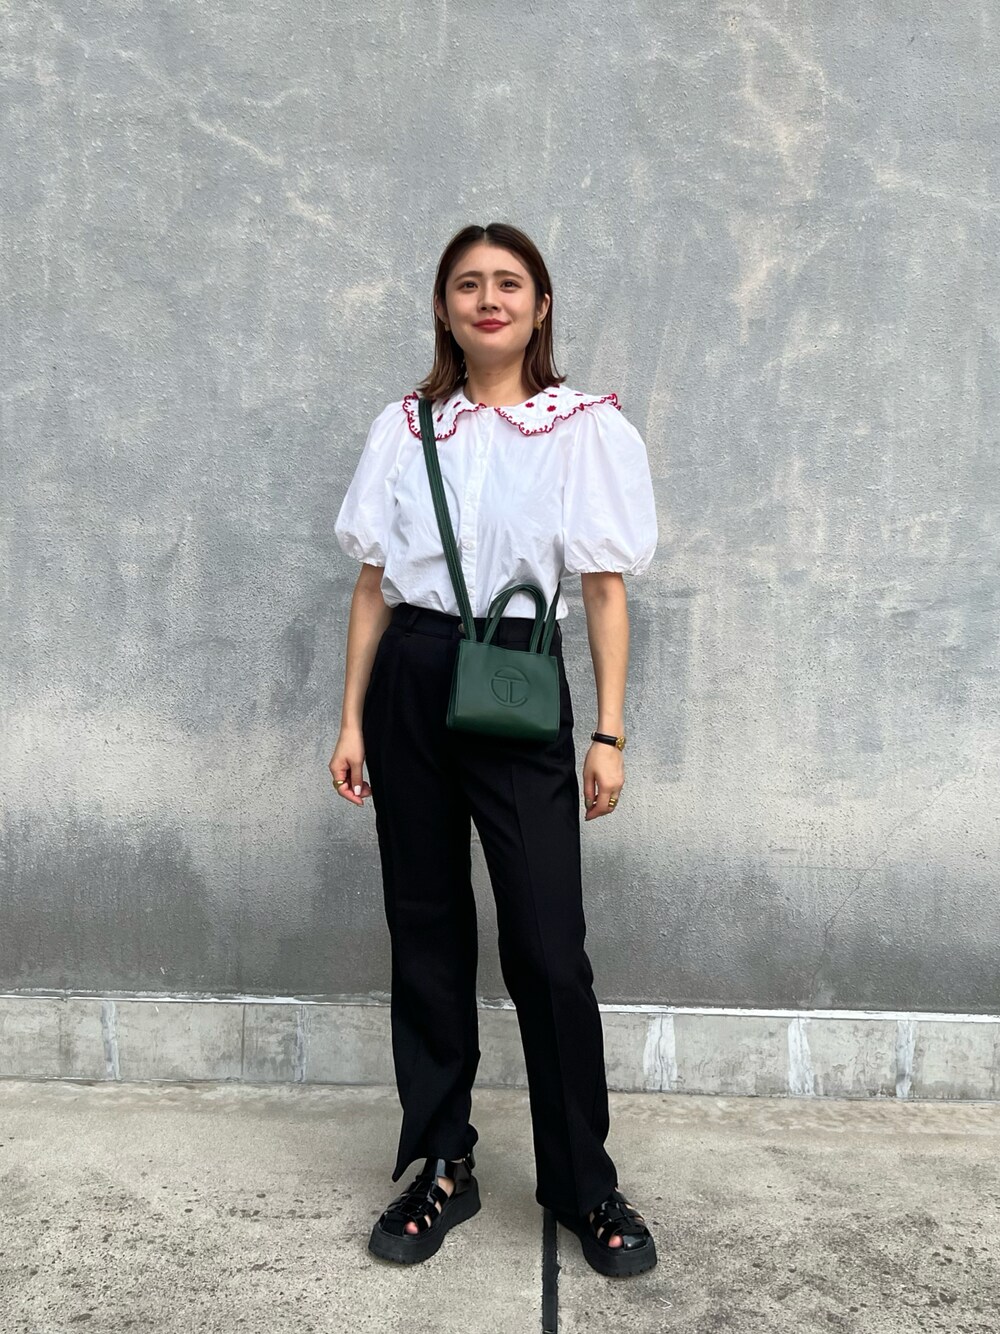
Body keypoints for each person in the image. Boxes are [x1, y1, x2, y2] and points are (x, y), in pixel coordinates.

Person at [329, 222, 659, 1278]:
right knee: (425, 926)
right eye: (467, 284)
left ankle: (582, 1181)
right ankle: (442, 1160)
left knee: (549, 945)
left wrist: (607, 732)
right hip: (413, 676)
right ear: (443, 307)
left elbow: (602, 588)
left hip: (516, 677)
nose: (488, 298)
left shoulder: (581, 429)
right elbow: (373, 585)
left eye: (509, 283)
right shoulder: (406, 427)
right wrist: (351, 719)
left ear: (540, 305)